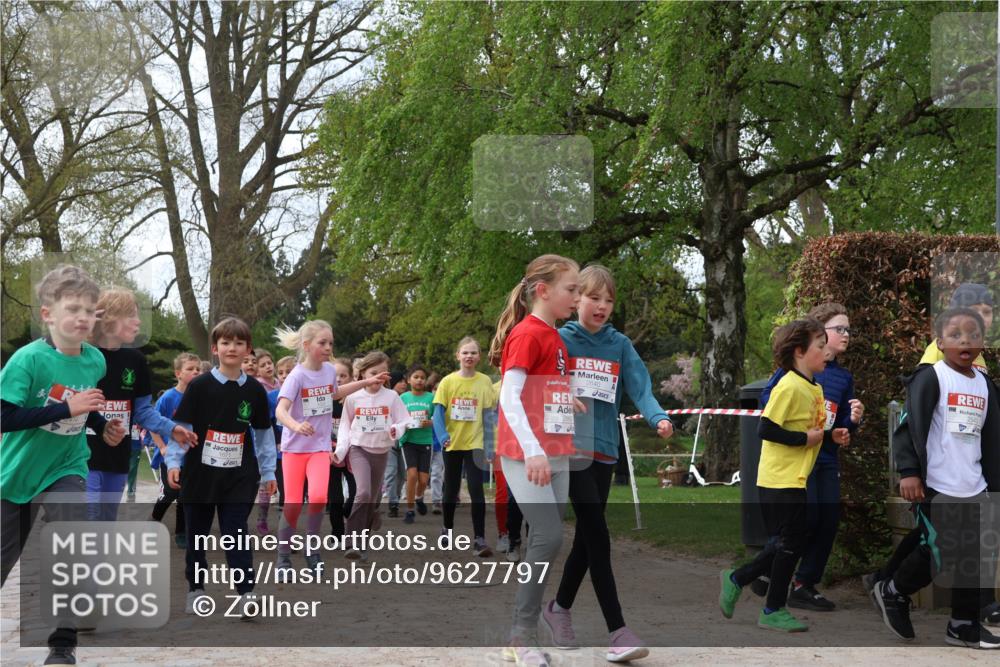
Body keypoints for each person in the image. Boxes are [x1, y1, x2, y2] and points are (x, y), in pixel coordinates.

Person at [1, 265, 127, 666]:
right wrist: (65, 407)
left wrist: (102, 425)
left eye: (90, 311)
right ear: (47, 314)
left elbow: (82, 407)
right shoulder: (27, 361)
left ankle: (62, 643)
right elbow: (5, 418)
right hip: (16, 475)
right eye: (73, 308)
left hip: (67, 468)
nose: (82, 317)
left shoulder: (95, 361)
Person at [548, 264, 674, 661]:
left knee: (588, 538)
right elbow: (540, 383)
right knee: (598, 536)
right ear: (576, 299)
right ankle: (618, 631)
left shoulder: (619, 345)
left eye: (608, 300)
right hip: (571, 451)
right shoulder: (560, 339)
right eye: (593, 298)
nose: (601, 306)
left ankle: (558, 608)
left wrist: (659, 417)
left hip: (605, 451)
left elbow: (640, 386)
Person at [873, 307, 1000, 649]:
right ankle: (893, 590)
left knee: (974, 555)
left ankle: (963, 625)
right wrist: (910, 472)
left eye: (973, 335)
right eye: (956, 334)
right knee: (941, 550)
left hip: (973, 484)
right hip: (936, 485)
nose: (965, 340)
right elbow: (906, 428)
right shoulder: (931, 378)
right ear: (939, 341)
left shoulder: (986, 384)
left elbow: (991, 437)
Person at [720, 318, 846, 633]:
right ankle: (772, 607)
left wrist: (832, 436)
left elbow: (811, 429)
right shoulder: (788, 386)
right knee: (791, 542)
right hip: (778, 479)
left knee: (791, 541)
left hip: (797, 478)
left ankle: (740, 579)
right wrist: (805, 440)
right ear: (800, 351)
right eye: (820, 345)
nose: (826, 349)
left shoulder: (813, 386)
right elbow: (766, 428)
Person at [489, 254, 581, 665]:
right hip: (529, 454)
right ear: (543, 291)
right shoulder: (527, 334)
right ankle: (521, 635)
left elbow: (540, 389)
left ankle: (522, 629)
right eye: (572, 290)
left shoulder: (555, 336)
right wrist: (532, 451)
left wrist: (567, 396)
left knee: (545, 541)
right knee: (548, 537)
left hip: (555, 452)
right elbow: (508, 396)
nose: (577, 298)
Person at [752, 303, 864, 611]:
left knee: (827, 521)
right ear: (819, 333)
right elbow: (770, 403)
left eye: (848, 330)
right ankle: (765, 570)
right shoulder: (795, 371)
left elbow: (838, 425)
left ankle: (804, 584)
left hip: (825, 457)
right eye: (839, 329)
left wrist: (851, 422)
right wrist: (803, 428)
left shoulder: (840, 376)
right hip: (797, 459)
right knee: (805, 522)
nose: (846, 335)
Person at [165, 317, 277, 619]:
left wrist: (268, 472)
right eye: (226, 342)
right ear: (215, 348)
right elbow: (182, 428)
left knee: (236, 532)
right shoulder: (199, 386)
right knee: (198, 535)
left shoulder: (254, 390)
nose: (232, 347)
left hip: (239, 475)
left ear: (248, 350)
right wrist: (174, 462)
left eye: (239, 343)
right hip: (199, 475)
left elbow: (265, 435)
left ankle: (246, 594)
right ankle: (196, 590)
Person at [272, 321, 387, 572]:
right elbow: (280, 410)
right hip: (294, 450)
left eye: (330, 343)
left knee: (318, 498)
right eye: (322, 343)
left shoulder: (327, 371)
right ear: (306, 345)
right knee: (292, 503)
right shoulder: (297, 376)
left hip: (319, 448)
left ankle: (312, 552)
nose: (328, 347)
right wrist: (296, 425)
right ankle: (283, 557)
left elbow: (335, 393)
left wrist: (366, 382)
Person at [85, 288, 197, 521]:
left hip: (118, 455)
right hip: (83, 455)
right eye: (132, 316)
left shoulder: (135, 360)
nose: (138, 323)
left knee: (106, 521)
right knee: (90, 518)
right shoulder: (83, 355)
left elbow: (143, 411)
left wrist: (171, 428)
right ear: (111, 318)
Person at [333, 351, 407, 560]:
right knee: (363, 493)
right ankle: (352, 541)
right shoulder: (354, 397)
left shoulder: (391, 397)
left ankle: (362, 542)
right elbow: (345, 427)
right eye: (374, 373)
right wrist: (340, 451)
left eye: (383, 374)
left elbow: (403, 420)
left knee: (372, 500)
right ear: (363, 373)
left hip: (381, 451)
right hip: (359, 449)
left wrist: (396, 430)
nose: (378, 378)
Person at [433, 337, 498, 557]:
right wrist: (442, 436)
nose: (469, 356)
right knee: (450, 490)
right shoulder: (448, 382)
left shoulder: (484, 382)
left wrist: (490, 445)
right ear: (458, 356)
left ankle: (479, 539)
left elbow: (489, 415)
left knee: (476, 489)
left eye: (473, 353)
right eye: (465, 353)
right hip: (452, 443)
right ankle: (447, 529)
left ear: (479, 357)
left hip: (476, 442)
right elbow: (438, 413)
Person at [149, 352, 202, 548]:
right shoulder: (168, 398)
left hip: (191, 457)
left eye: (198, 369)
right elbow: (152, 424)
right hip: (169, 457)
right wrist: (162, 447)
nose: (195, 372)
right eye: (190, 369)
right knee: (170, 492)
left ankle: (181, 532)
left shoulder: (200, 397)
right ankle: (154, 520)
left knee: (185, 495)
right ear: (178, 373)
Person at [399, 366, 434, 523]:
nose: (419, 379)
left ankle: (420, 497)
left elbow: (438, 419)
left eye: (422, 377)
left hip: (426, 441)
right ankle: (410, 509)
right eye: (416, 377)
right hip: (409, 441)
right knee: (412, 475)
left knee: (424, 480)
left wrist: (431, 422)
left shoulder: (431, 398)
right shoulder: (403, 398)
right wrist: (403, 425)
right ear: (409, 380)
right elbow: (397, 418)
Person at [383, 370, 408, 517]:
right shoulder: (387, 398)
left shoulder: (407, 399)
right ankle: (392, 504)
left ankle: (396, 499)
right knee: (391, 472)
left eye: (405, 381)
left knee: (402, 474)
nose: (403, 384)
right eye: (400, 381)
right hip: (389, 442)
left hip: (405, 441)